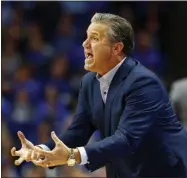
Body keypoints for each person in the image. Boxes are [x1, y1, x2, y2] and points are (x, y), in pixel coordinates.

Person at [11, 13, 187, 178]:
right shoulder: (89, 82)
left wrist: (72, 156)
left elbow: (126, 139)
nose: (85, 44)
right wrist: (42, 151)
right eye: (86, 36)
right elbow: (78, 132)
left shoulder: (143, 83)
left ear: (117, 48)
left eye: (94, 38)